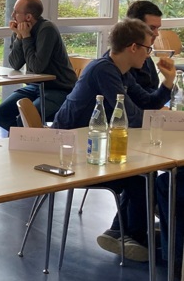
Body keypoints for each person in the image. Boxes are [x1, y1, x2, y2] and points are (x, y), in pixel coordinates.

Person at [53, 19, 175, 261]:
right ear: (133, 47)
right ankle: (131, 234)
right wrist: (164, 122)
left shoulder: (121, 71)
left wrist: (168, 82)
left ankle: (123, 231)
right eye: (147, 48)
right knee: (140, 176)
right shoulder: (104, 70)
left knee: (141, 172)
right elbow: (129, 115)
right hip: (70, 150)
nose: (148, 55)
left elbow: (147, 102)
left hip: (94, 144)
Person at [0, 0, 77, 131]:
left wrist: (26, 37)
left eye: (16, 12)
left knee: (25, 118)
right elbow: (15, 64)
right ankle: (26, 137)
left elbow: (37, 67)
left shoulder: (47, 29)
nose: (12, 15)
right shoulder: (21, 30)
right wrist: (19, 37)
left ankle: (27, 138)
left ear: (28, 17)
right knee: (0, 114)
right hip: (35, 86)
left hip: (59, 89)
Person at [124, 0, 163, 91]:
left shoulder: (146, 55)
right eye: (151, 28)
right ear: (135, 27)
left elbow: (152, 92)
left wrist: (168, 81)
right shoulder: (121, 61)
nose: (156, 34)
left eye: (158, 28)